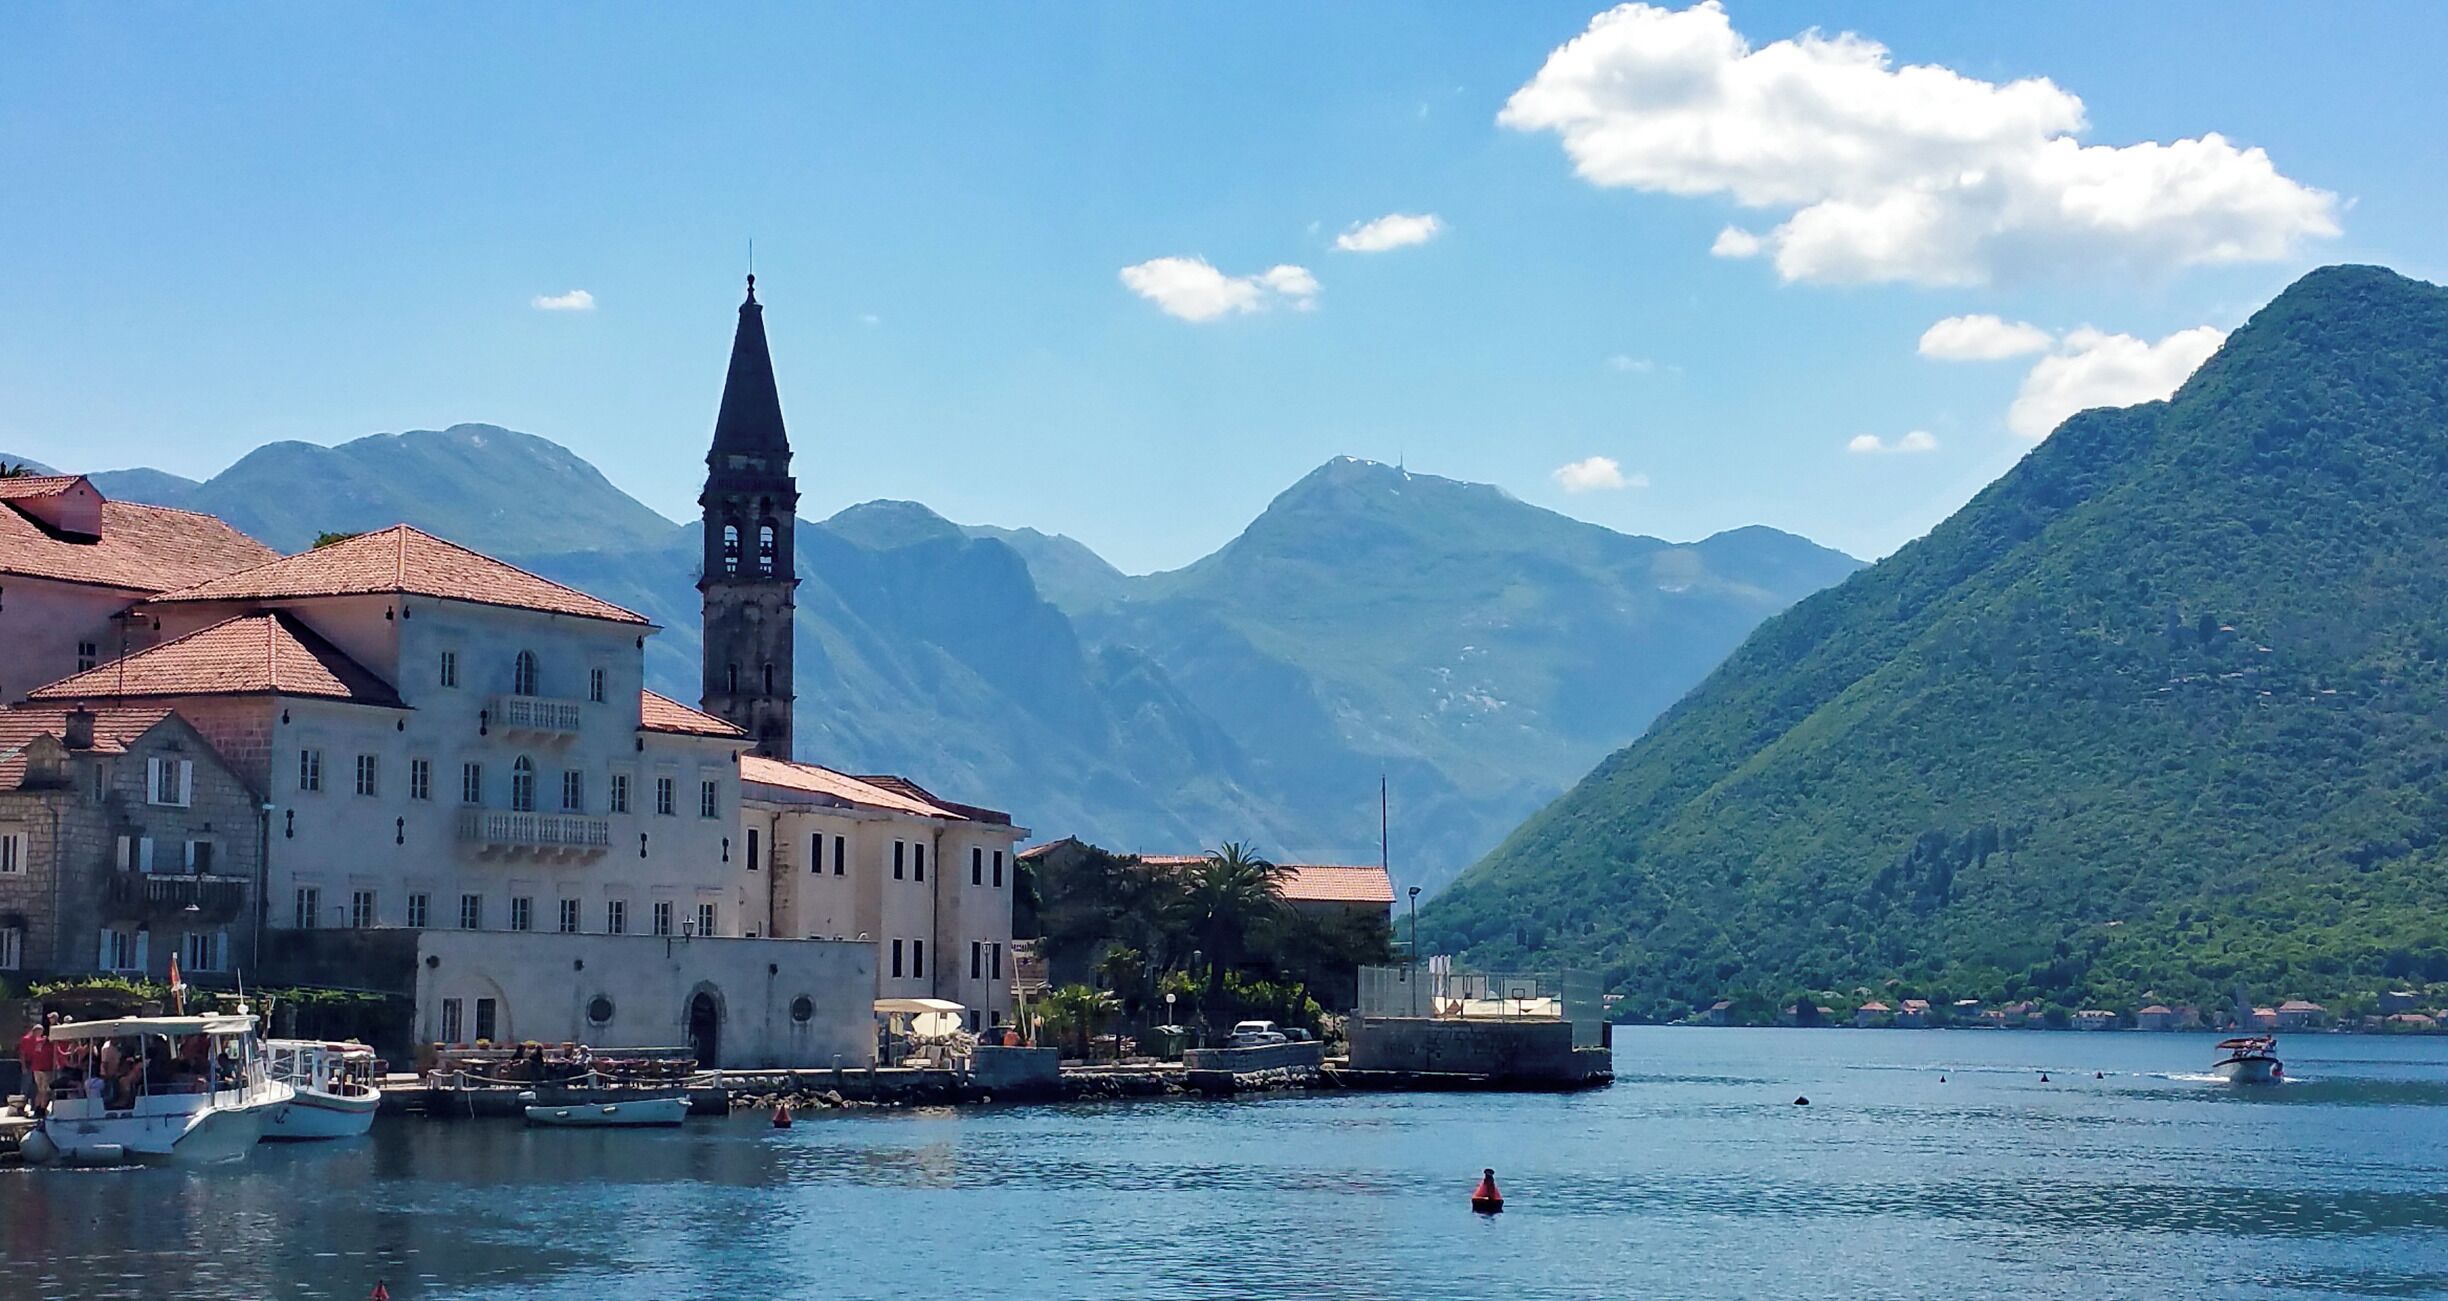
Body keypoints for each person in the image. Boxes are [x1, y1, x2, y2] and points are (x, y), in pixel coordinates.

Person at [17, 1015, 55, 1115]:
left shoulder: (38, 1041)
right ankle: (28, 1108)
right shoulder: (28, 1039)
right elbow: (22, 1053)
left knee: (38, 1089)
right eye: (40, 1032)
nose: (41, 1034)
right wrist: (24, 1066)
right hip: (35, 1066)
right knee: (33, 1088)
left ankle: (36, 1107)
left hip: (35, 1066)